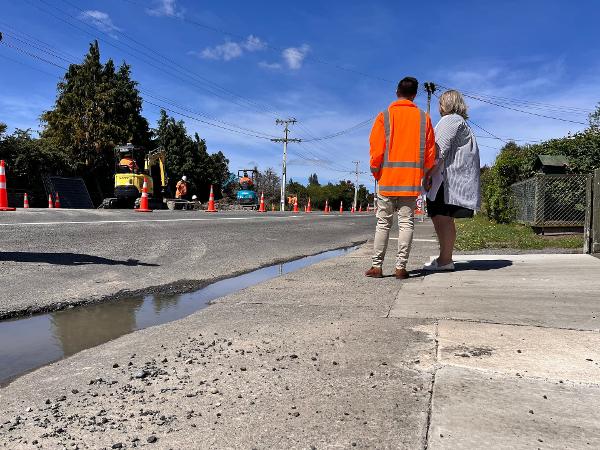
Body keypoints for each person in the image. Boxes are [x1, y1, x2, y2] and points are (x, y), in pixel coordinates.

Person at [365, 77, 436, 279]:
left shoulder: (384, 117)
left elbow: (376, 149)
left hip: (387, 179)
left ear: (397, 91)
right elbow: (430, 153)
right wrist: (425, 174)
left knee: (383, 224)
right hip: (410, 181)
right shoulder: (424, 118)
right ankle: (400, 268)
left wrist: (376, 171)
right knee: (406, 223)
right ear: (414, 95)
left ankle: (377, 267)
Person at [423, 90, 481, 271]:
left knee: (441, 218)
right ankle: (444, 258)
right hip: (453, 180)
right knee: (444, 218)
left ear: (447, 104)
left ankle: (445, 260)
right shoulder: (462, 122)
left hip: (445, 180)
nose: (439, 108)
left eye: (440, 103)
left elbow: (438, 151)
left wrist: (426, 174)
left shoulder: (449, 120)